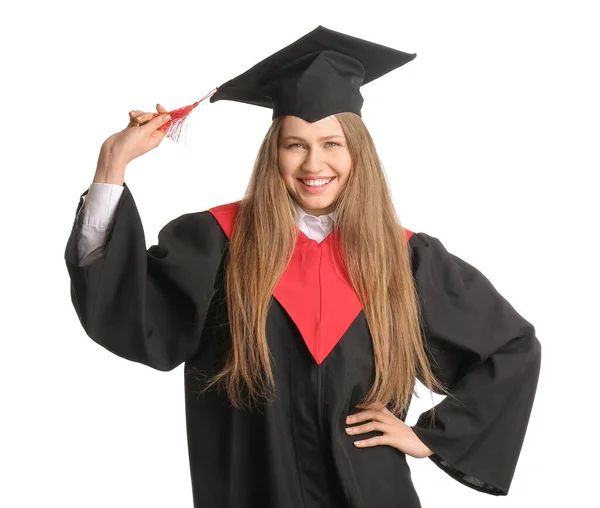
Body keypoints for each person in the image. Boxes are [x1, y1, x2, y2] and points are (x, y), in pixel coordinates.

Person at [64, 26, 541, 508]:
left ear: (358, 151)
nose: (315, 162)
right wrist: (113, 163)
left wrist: (431, 437)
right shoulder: (216, 244)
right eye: (295, 144)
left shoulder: (405, 258)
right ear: (274, 152)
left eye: (332, 143)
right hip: (252, 491)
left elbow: (512, 347)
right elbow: (122, 309)